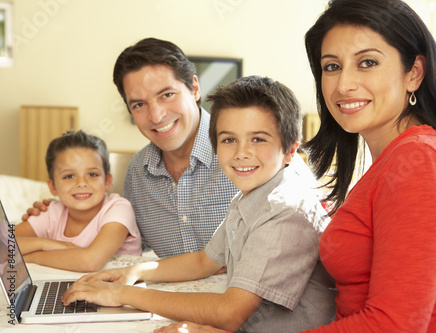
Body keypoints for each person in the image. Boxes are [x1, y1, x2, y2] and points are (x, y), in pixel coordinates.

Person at [155, 0, 436, 332]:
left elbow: (392, 327)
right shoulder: (396, 160)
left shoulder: (420, 162)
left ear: (414, 73)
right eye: (332, 66)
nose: (344, 84)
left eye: (367, 62)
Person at [61, 76, 336, 332]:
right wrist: (131, 272)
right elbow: (204, 260)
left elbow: (229, 312)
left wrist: (122, 294)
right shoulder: (252, 194)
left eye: (258, 139)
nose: (242, 153)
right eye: (229, 139)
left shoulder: (284, 209)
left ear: (290, 149)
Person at [23, 38, 239, 258]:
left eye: (167, 94)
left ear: (194, 88)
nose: (156, 115)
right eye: (139, 104)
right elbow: (130, 243)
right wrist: (57, 214)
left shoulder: (242, 152)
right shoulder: (137, 172)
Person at [14, 130, 141, 272]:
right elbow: (3, 244)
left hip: (119, 290)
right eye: (69, 176)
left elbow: (90, 261)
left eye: (92, 174)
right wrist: (43, 243)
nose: (81, 183)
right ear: (53, 187)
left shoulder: (118, 208)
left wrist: (31, 257)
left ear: (106, 181)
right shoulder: (52, 212)